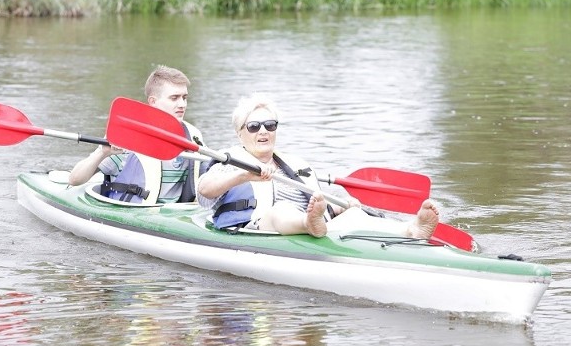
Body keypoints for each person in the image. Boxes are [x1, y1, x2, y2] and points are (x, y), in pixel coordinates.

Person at [196, 93, 439, 238]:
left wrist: (340, 207)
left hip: (313, 221)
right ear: (240, 134)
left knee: (353, 213)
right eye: (254, 126)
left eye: (270, 125)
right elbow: (204, 189)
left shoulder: (293, 164)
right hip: (258, 228)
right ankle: (309, 225)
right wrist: (243, 176)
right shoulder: (230, 160)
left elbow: (317, 201)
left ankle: (410, 230)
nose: (263, 131)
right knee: (280, 211)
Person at [68, 65, 205, 204]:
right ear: (153, 102)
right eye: (174, 98)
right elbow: (75, 180)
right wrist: (102, 153)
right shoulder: (127, 136)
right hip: (134, 212)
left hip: (175, 214)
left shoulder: (193, 136)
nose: (182, 104)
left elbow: (206, 180)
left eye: (184, 97)